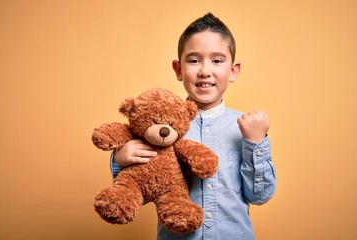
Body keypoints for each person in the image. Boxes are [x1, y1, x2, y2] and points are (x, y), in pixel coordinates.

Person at [110, 12, 276, 240]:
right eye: (194, 60)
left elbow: (260, 195)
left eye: (217, 61)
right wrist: (119, 159)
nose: (205, 70)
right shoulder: (158, 128)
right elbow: (141, 184)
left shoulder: (247, 128)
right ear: (179, 70)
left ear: (233, 70)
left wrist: (256, 143)